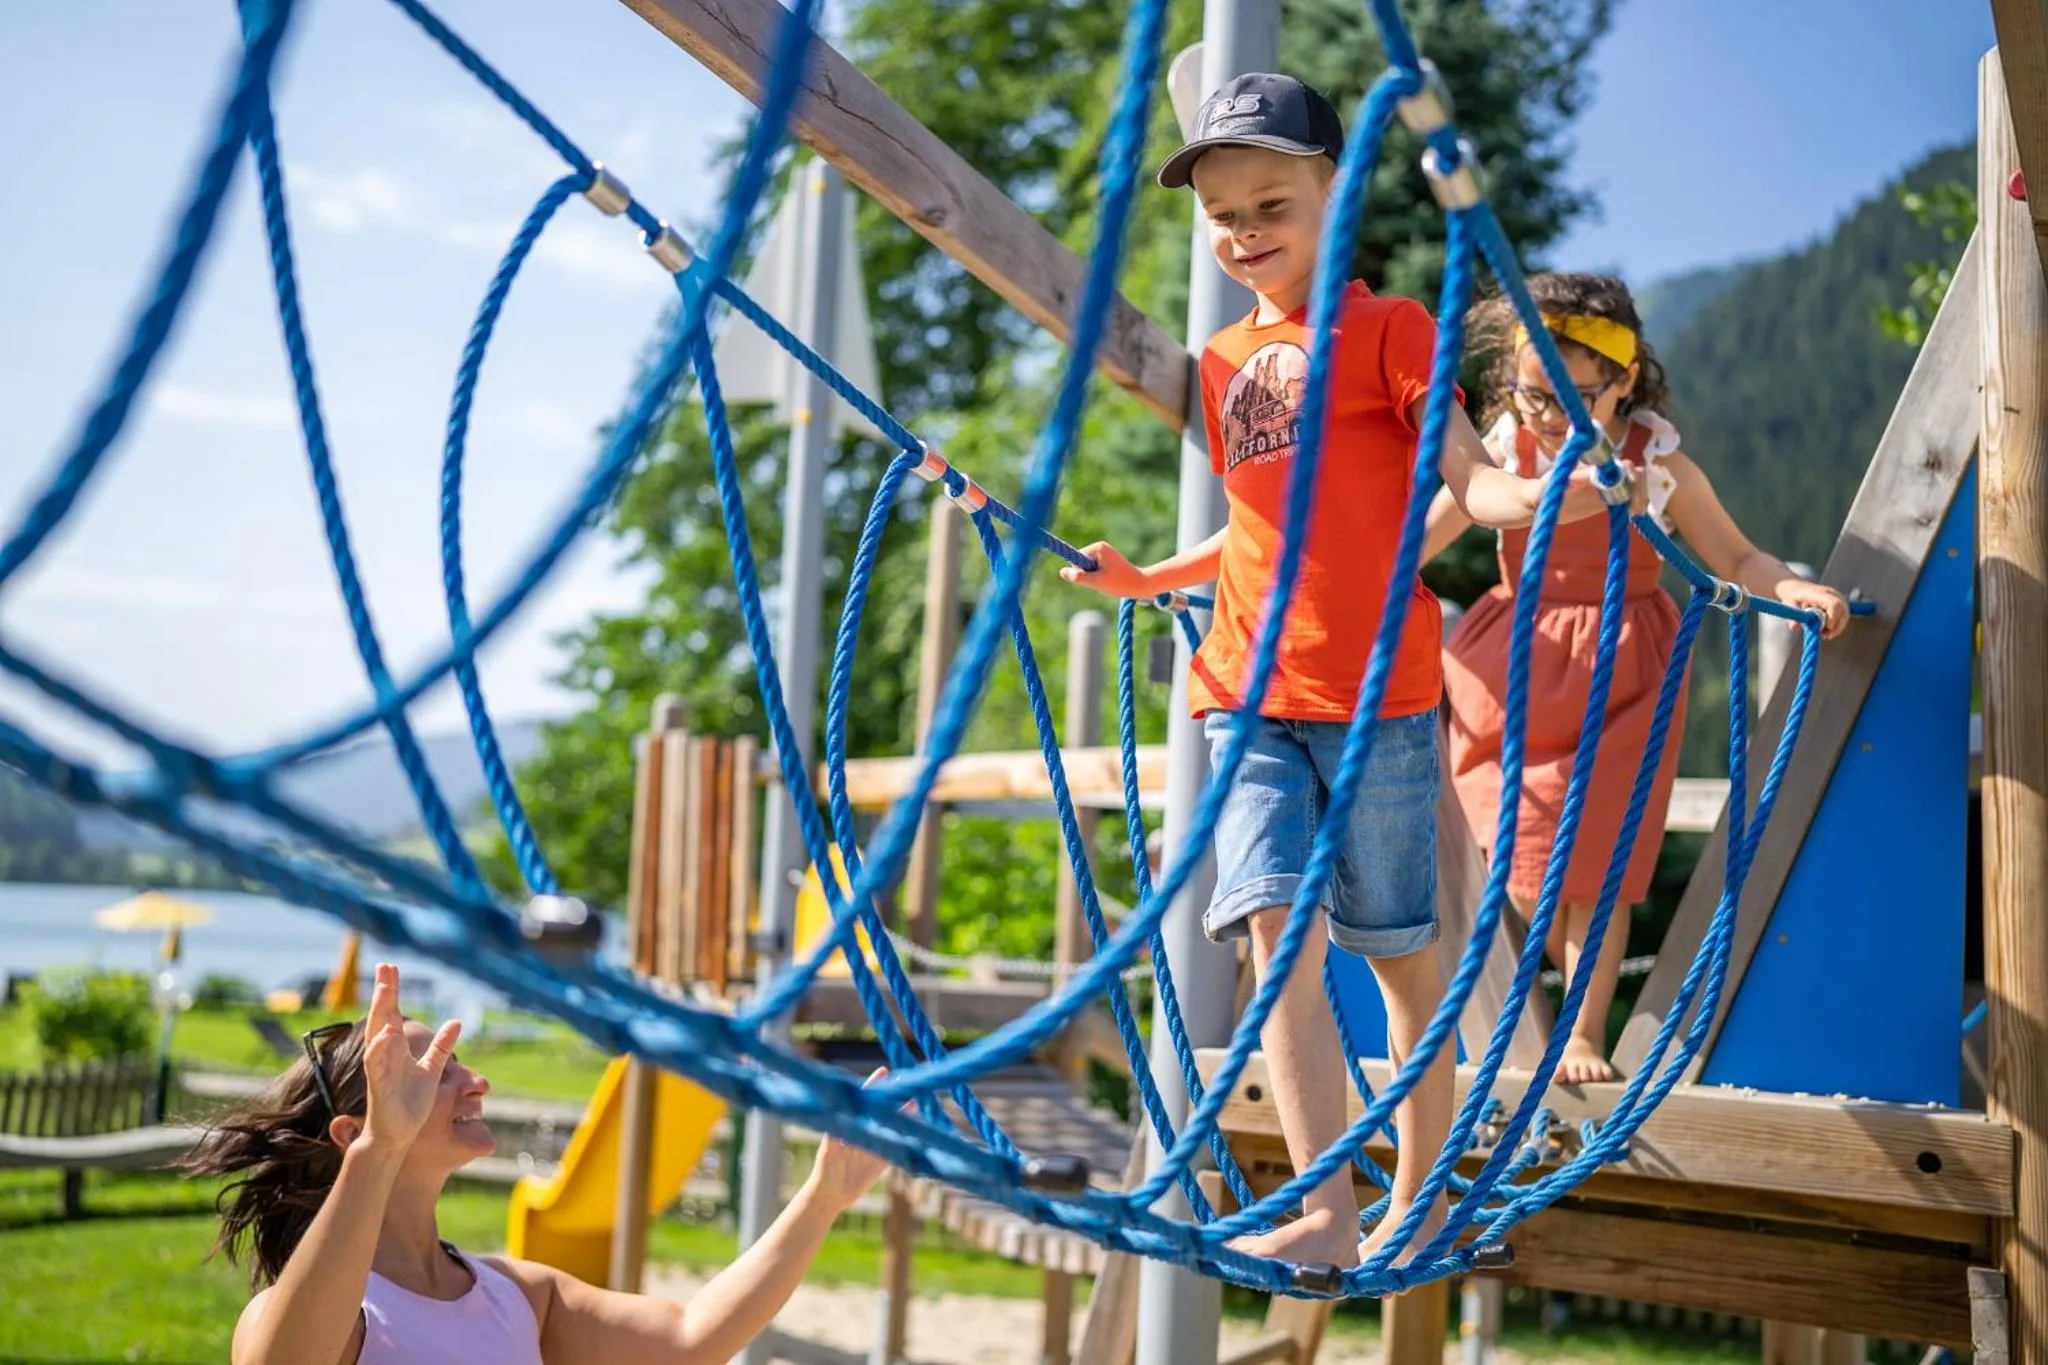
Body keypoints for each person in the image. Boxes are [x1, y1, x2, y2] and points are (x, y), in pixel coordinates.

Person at [1062, 73, 1610, 1269]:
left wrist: (1543, 489)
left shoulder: (1390, 331)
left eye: (1271, 203)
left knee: (1404, 964)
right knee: (1271, 940)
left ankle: (1417, 1192)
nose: (1244, 231)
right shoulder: (1220, 364)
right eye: (1222, 216)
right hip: (1244, 688)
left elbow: (1466, 481)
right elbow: (1257, 528)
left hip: (1377, 703)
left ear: (1334, 197)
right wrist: (1148, 577)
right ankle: (1324, 1203)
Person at [1424, 271, 1849, 1083]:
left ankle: (1580, 1034)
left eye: (1572, 396)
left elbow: (1734, 556)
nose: (1547, 414)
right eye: (1531, 392)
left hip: (1621, 670)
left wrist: (1787, 586)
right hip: (1514, 657)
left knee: (1598, 869)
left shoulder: (1656, 465)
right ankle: (1526, 1005)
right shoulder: (1507, 451)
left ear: (1622, 382)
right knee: (1507, 852)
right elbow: (1420, 541)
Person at [182, 962, 891, 1364]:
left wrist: (824, 1194)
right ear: (350, 1132)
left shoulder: (515, 1294)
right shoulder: (306, 1312)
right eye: (430, 1071)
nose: (474, 1082)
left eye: (456, 1063)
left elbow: (692, 1337)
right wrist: (381, 1148)